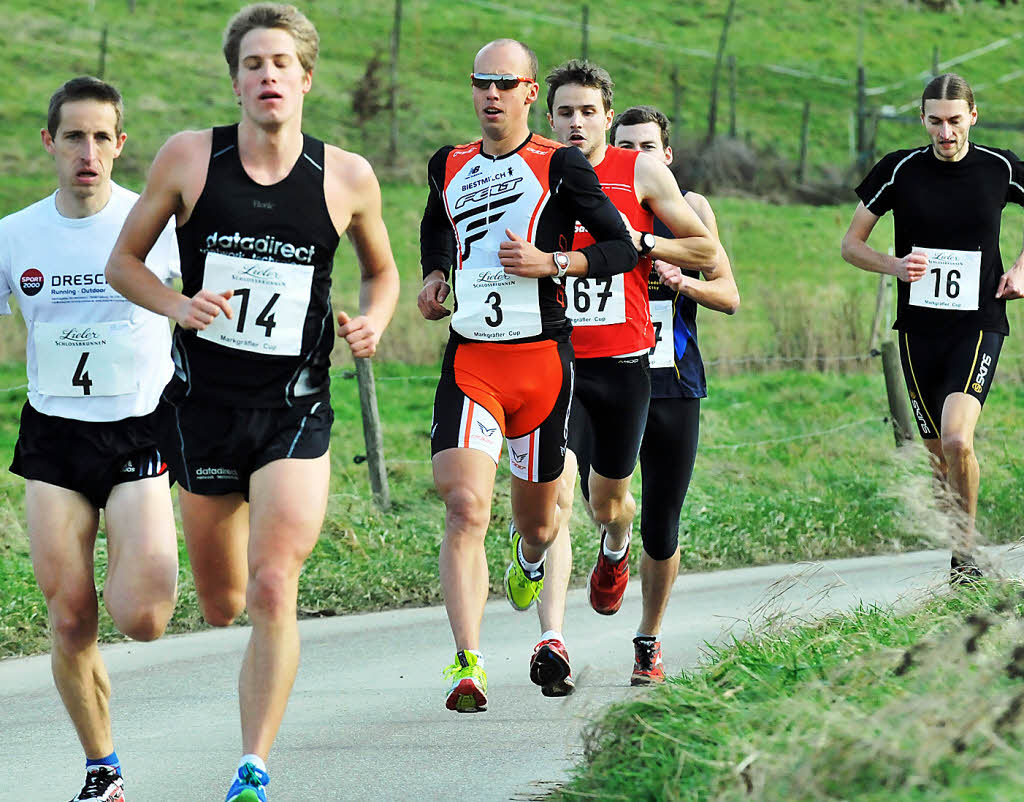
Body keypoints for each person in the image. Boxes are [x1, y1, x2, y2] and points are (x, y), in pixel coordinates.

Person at [106, 5, 400, 800]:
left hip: (295, 409)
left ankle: (253, 768)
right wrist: (178, 306)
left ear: (306, 78)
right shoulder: (189, 159)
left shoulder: (346, 177)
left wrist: (372, 320)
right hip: (203, 410)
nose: (268, 75)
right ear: (235, 80)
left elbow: (383, 272)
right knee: (224, 600)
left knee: (274, 583)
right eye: (254, 64)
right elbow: (124, 263)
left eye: (282, 63)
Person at [418, 39, 638, 712]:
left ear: (529, 93)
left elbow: (621, 248)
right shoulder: (447, 162)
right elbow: (436, 222)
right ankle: (468, 664)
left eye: (504, 84)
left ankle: (532, 555)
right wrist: (434, 275)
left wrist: (556, 265)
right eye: (481, 83)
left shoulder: (561, 165)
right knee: (464, 507)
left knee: (539, 525)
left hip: (541, 363)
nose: (490, 95)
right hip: (471, 361)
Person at [0, 76, 180, 802]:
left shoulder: (153, 223)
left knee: (142, 618)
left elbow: (208, 309)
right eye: (74, 135)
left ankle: (135, 566)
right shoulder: (15, 234)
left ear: (120, 146)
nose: (88, 150)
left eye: (102, 137)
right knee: (69, 614)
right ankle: (101, 770)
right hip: (54, 436)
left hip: (138, 428)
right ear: (50, 142)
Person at [526, 64, 718, 697]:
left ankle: (622, 560)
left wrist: (641, 244)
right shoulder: (530, 171)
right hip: (557, 363)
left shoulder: (642, 176)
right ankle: (551, 639)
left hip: (633, 368)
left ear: (606, 115)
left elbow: (708, 256)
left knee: (623, 508)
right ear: (547, 117)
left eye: (587, 111)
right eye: (564, 113)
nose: (575, 122)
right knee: (553, 500)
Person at [841, 72, 1024, 583]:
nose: (946, 133)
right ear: (922, 119)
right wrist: (893, 265)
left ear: (973, 117)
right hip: (918, 330)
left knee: (958, 440)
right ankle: (960, 545)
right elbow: (851, 244)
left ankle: (965, 562)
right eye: (936, 121)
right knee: (938, 459)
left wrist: (1021, 269)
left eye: (955, 121)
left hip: (980, 323)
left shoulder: (999, 167)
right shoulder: (898, 169)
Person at [612, 105, 738, 684]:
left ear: (667, 155)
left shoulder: (692, 211)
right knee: (601, 496)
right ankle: (614, 540)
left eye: (647, 146)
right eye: (626, 144)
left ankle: (649, 639)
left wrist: (682, 279)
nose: (636, 156)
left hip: (673, 382)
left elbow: (730, 296)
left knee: (662, 525)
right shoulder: (591, 198)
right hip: (608, 375)